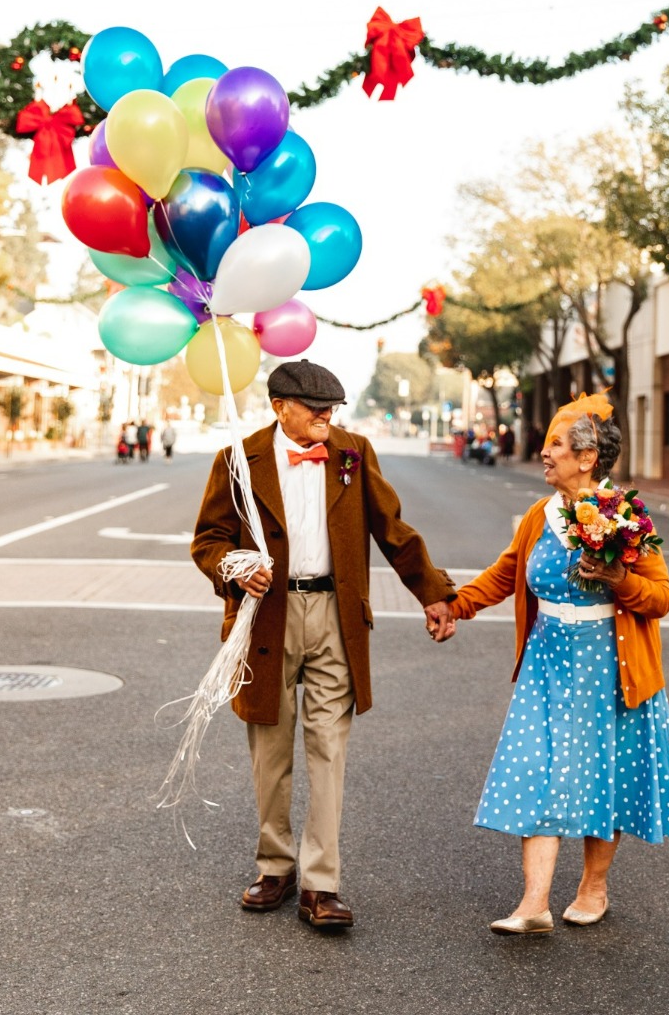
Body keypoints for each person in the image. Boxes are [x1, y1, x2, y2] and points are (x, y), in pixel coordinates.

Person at [191, 359, 456, 929]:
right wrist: (234, 567)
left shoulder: (353, 452)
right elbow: (207, 540)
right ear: (279, 406)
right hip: (267, 617)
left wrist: (433, 593)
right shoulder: (238, 460)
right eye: (314, 409)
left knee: (329, 750)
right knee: (271, 747)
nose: (325, 418)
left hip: (337, 614)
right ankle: (275, 865)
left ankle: (321, 882)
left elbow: (393, 529)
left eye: (331, 408)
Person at [427, 393, 669, 935]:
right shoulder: (541, 515)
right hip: (548, 661)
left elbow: (660, 599)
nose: (544, 455)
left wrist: (620, 580)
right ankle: (534, 903)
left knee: (603, 778)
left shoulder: (627, 518)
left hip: (611, 665)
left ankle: (594, 886)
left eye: (555, 446)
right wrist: (456, 604)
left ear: (587, 458)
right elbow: (507, 572)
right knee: (532, 769)